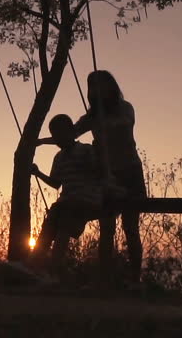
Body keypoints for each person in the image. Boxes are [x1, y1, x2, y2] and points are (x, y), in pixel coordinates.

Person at [37, 70, 146, 283]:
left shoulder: (125, 108)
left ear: (110, 86)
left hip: (131, 171)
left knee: (131, 227)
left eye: (100, 85)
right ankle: (104, 281)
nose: (95, 90)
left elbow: (124, 123)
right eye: (92, 87)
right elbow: (70, 134)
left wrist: (100, 122)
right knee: (107, 227)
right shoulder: (91, 117)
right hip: (106, 174)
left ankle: (135, 279)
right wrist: (42, 141)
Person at [26, 114, 109, 279]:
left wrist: (98, 153)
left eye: (60, 135)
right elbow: (56, 183)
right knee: (52, 217)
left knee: (63, 216)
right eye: (55, 136)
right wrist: (37, 173)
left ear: (72, 131)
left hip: (87, 200)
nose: (58, 140)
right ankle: (35, 263)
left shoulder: (86, 150)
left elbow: (100, 172)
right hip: (68, 203)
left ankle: (52, 270)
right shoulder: (59, 157)